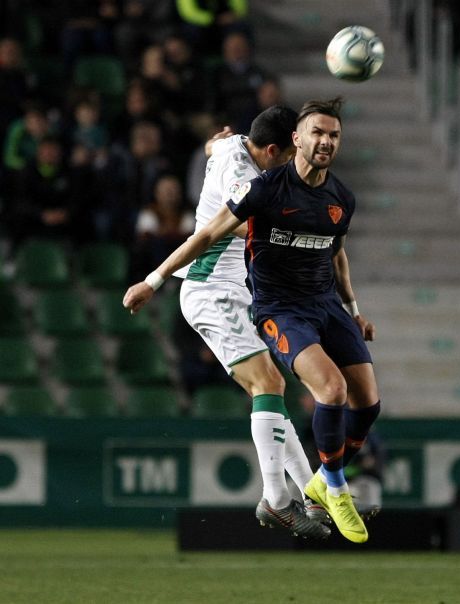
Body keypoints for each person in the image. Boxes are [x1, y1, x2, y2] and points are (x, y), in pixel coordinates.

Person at [123, 98, 381, 544]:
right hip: (213, 288)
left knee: (281, 391)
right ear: (279, 148)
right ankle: (279, 501)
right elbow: (242, 223)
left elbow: (214, 146)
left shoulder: (232, 148)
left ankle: (313, 494)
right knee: (270, 385)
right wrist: (154, 280)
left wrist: (212, 145)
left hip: (247, 288)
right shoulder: (253, 181)